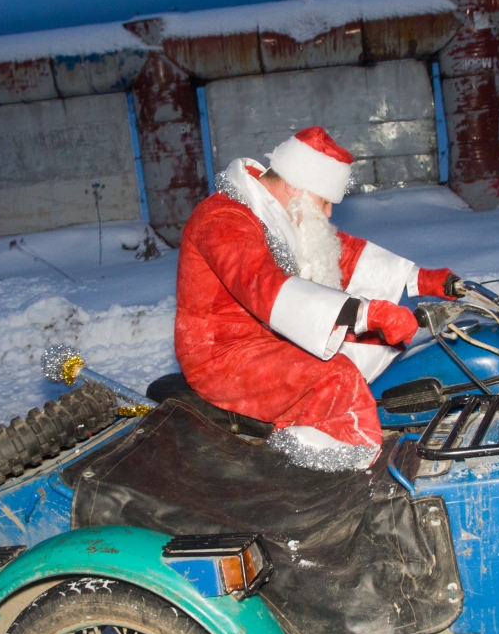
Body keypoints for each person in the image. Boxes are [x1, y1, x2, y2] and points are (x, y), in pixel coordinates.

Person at [174, 126, 460, 471]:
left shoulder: (278, 208)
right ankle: (316, 477)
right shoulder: (223, 218)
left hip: (270, 338)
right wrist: (366, 314)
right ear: (295, 186)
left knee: (388, 347)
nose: (326, 213)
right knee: (336, 378)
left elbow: (339, 252)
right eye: (324, 202)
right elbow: (261, 283)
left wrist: (420, 278)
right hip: (222, 354)